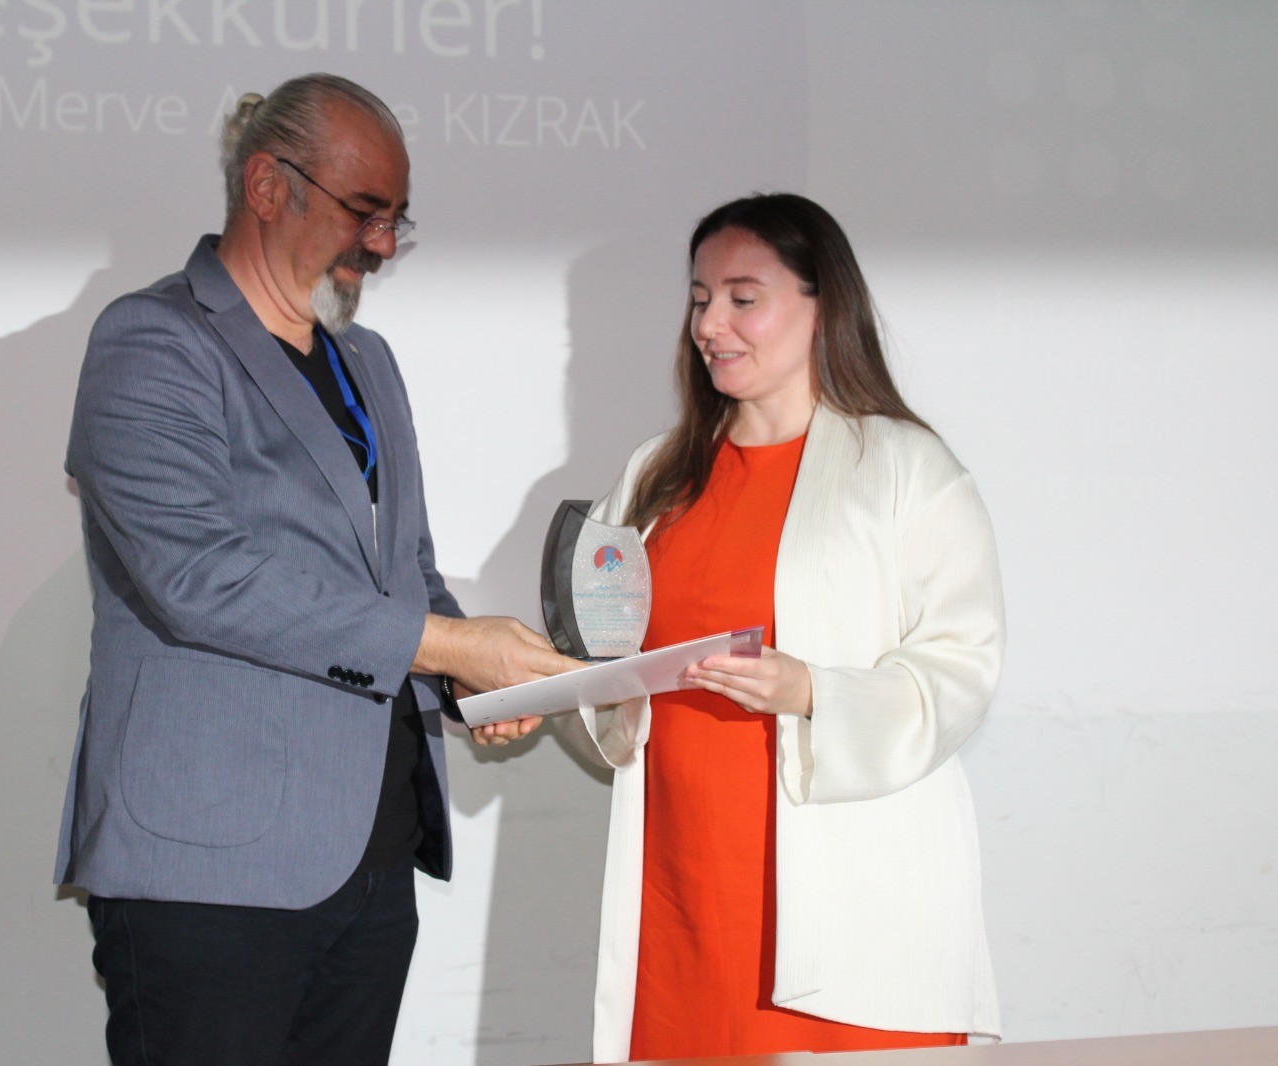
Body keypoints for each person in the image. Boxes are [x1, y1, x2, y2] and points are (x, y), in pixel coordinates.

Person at [53, 73, 568, 1065]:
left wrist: (465, 679)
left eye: (394, 221)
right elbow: (201, 579)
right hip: (209, 876)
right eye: (363, 212)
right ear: (266, 186)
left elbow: (403, 573)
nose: (381, 245)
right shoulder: (152, 340)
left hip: (371, 862)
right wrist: (450, 644)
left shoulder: (366, 361)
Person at [574, 193, 1005, 1061]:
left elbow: (963, 667)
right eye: (701, 299)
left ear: (823, 306)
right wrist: (544, 685)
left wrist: (815, 691)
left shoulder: (907, 468)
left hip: (849, 894)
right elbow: (599, 647)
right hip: (684, 889)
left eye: (743, 298)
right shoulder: (655, 473)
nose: (710, 325)